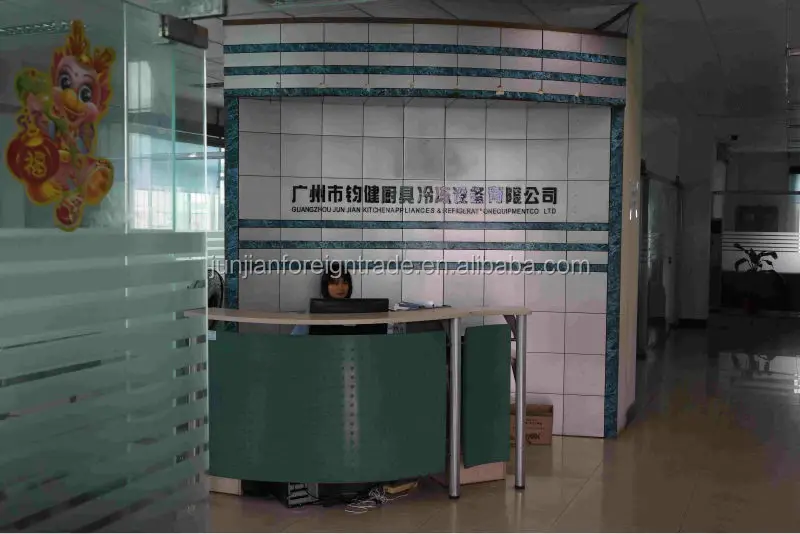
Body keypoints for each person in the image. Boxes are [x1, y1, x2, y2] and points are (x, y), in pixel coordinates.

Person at [291, 263, 353, 335]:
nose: (340, 287)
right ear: (325, 285)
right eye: (334, 283)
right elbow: (296, 337)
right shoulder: (315, 309)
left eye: (345, 282)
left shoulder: (357, 309)